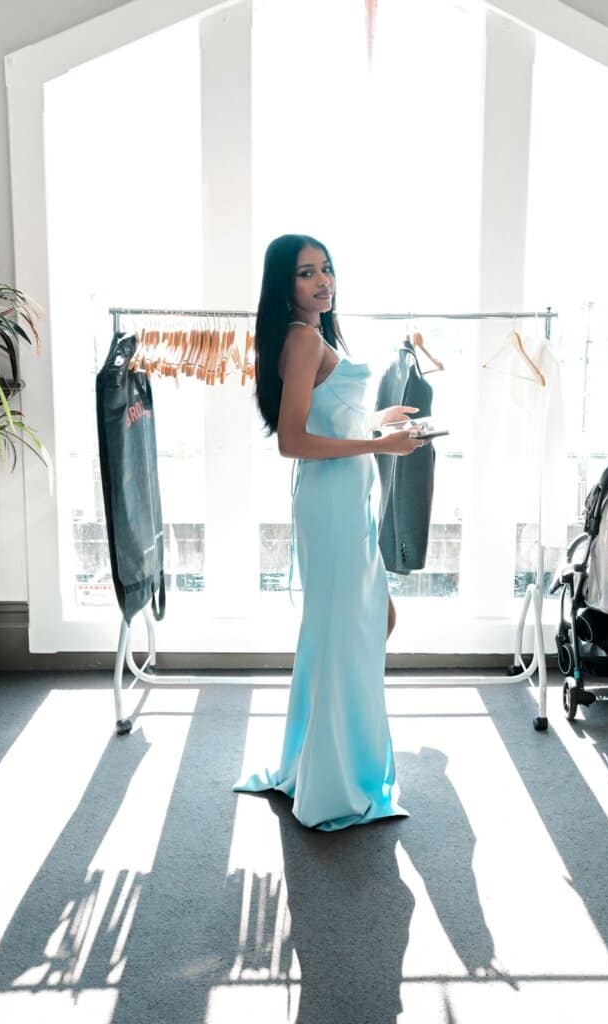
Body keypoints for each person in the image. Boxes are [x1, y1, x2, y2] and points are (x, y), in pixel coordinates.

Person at [233, 234, 426, 831]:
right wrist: (379, 444)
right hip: (332, 504)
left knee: (356, 625)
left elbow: (325, 418)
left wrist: (377, 421)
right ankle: (337, 782)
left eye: (327, 270)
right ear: (283, 285)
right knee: (356, 626)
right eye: (306, 274)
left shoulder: (314, 337)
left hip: (347, 499)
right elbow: (293, 441)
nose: (322, 282)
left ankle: (329, 765)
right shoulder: (301, 338)